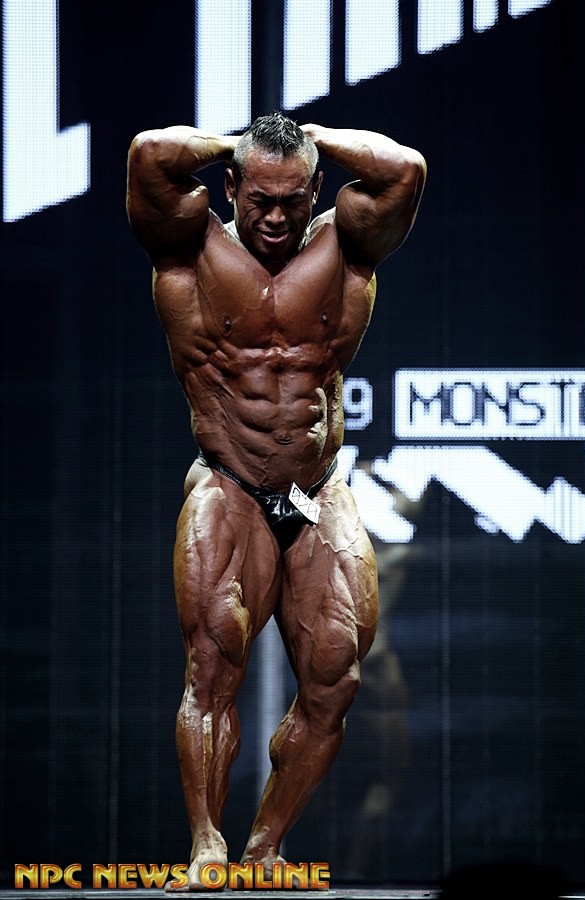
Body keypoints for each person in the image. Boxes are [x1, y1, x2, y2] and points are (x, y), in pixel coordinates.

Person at [126, 112, 426, 889]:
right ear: (230, 185)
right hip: (230, 481)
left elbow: (405, 170)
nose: (274, 216)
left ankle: (264, 848)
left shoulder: (346, 245)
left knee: (336, 675)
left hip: (312, 488)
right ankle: (207, 846)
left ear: (317, 188)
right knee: (212, 663)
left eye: (293, 199)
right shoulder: (188, 247)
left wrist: (313, 133)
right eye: (259, 197)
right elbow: (150, 156)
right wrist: (237, 142)